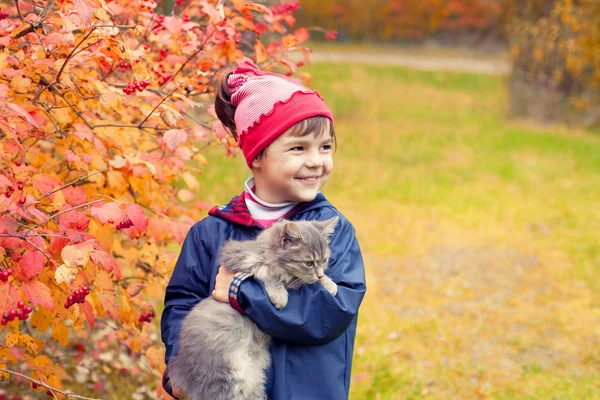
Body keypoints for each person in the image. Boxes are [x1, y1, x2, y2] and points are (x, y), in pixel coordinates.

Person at [160, 60, 367, 400]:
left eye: (325, 147)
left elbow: (329, 312)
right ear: (257, 156)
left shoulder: (334, 231)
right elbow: (181, 305)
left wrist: (241, 291)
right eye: (299, 148)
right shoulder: (211, 233)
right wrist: (177, 374)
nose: (317, 160)